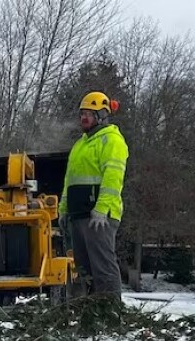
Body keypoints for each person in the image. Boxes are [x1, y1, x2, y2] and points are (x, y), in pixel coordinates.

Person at [58, 91, 129, 298]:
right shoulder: (80, 144)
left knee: (103, 267)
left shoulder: (112, 141)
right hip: (78, 214)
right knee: (82, 271)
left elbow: (113, 179)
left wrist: (101, 209)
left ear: (102, 115)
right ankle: (87, 315)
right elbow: (68, 181)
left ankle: (110, 311)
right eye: (82, 113)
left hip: (98, 217)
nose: (84, 118)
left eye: (89, 113)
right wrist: (63, 210)